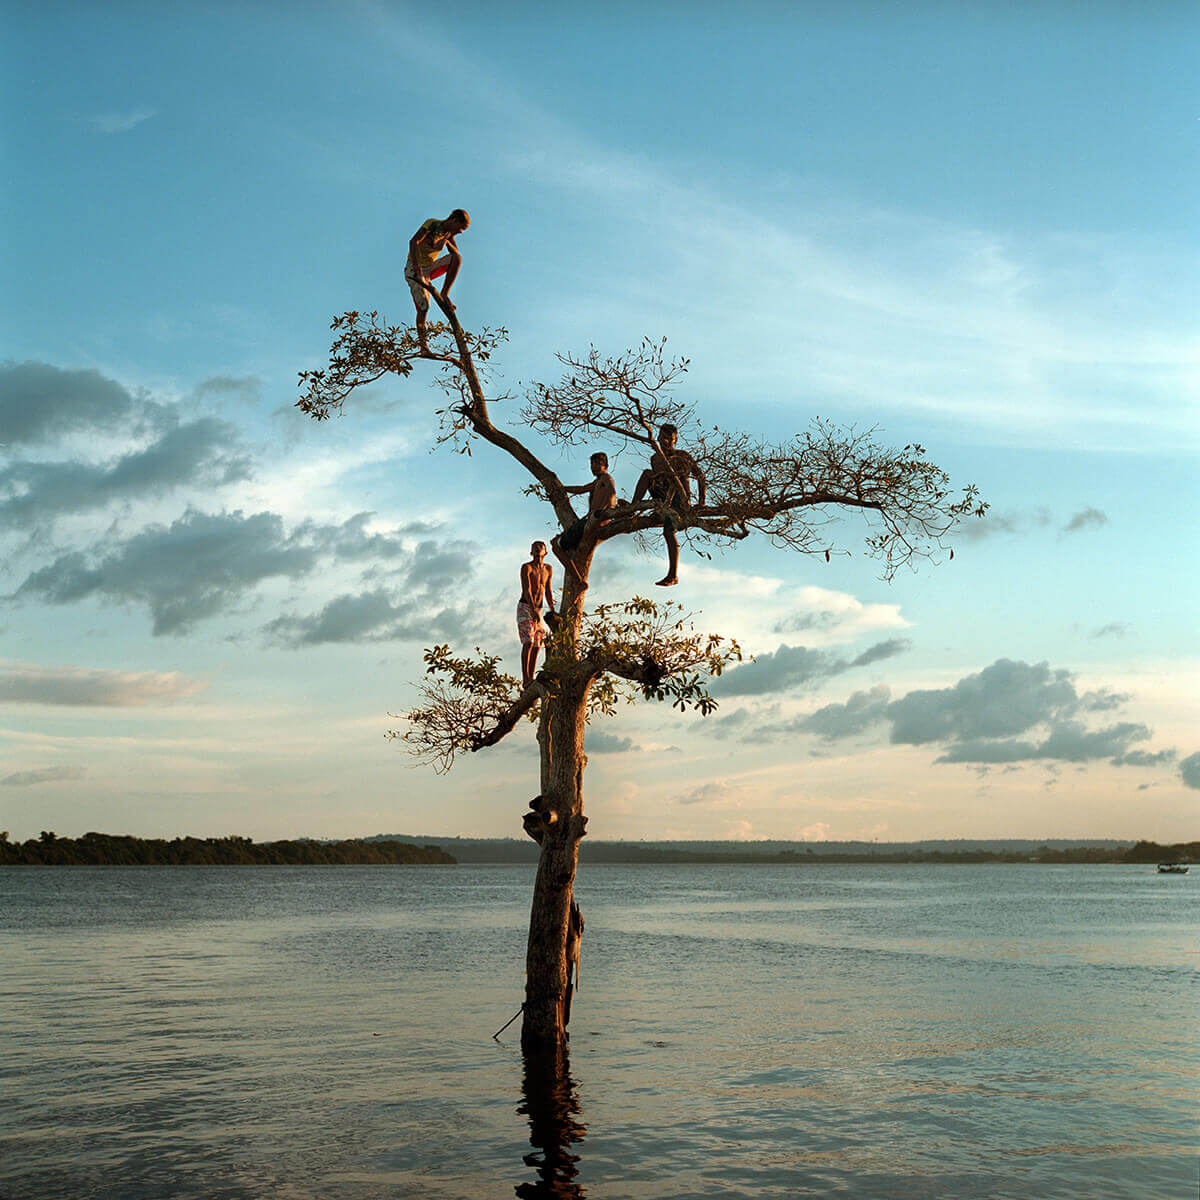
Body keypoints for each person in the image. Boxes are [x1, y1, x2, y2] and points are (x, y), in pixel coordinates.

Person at [631, 424, 706, 586]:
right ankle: (633, 508)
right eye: (663, 437)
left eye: (669, 439)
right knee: (647, 474)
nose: (665, 441)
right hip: (662, 499)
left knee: (668, 532)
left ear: (675, 440)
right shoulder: (655, 458)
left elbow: (700, 476)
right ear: (657, 438)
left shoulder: (682, 456)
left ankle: (673, 575)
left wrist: (701, 503)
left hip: (679, 501)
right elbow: (654, 481)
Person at [404, 209, 470, 354]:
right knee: (424, 307)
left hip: (428, 269)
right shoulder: (432, 224)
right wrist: (415, 265)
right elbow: (413, 241)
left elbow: (455, 254)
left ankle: (445, 293)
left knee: (457, 259)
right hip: (414, 269)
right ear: (453, 219)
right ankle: (423, 347)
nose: (460, 232)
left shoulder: (449, 234)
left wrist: (446, 241)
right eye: (460, 227)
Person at [551, 452, 619, 585]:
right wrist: (562, 488)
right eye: (592, 464)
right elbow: (581, 489)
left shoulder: (606, 478)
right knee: (568, 548)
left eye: (598, 463)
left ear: (606, 465)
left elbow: (612, 494)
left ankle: (578, 580)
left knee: (555, 545)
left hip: (595, 520)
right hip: (590, 520)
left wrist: (605, 512)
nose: (594, 466)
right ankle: (578, 579)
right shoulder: (597, 481)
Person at [517, 541, 555, 687]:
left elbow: (548, 591)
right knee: (528, 642)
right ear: (531, 552)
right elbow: (527, 590)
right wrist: (532, 610)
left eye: (541, 547)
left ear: (545, 552)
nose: (538, 548)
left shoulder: (548, 569)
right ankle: (525, 679)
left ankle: (531, 678)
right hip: (526, 606)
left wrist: (552, 610)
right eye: (535, 547)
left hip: (538, 609)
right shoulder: (526, 567)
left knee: (538, 644)